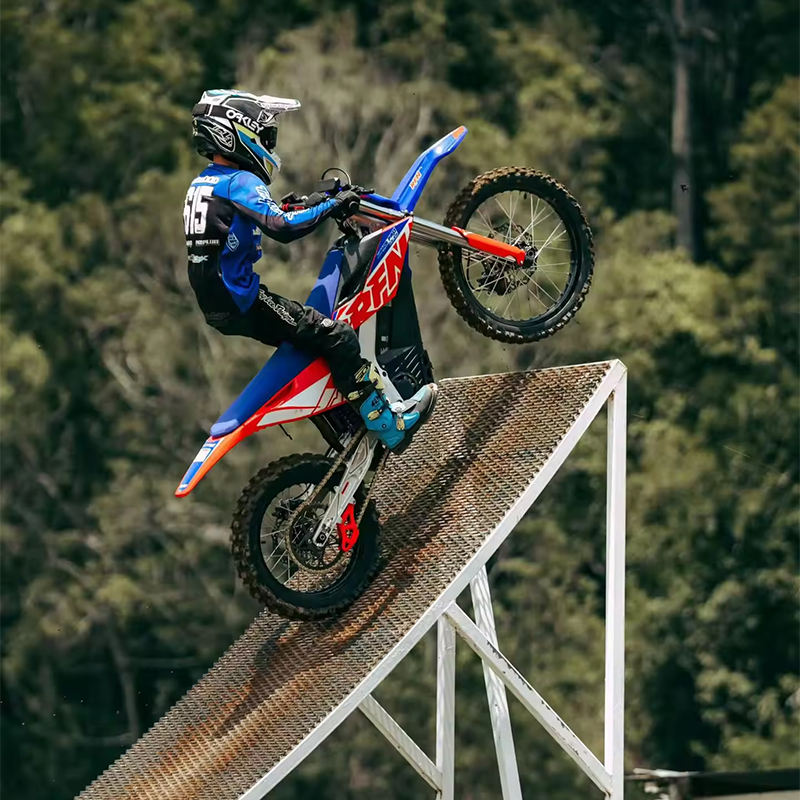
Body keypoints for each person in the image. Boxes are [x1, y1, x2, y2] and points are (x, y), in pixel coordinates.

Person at [184, 89, 436, 450]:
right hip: (243, 300)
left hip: (216, 303)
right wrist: (333, 203)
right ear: (238, 134)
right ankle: (388, 423)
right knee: (338, 335)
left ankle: (345, 420)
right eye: (266, 136)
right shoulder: (239, 181)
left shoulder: (204, 182)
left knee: (312, 343)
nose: (269, 144)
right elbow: (282, 227)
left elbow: (256, 217)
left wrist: (309, 204)